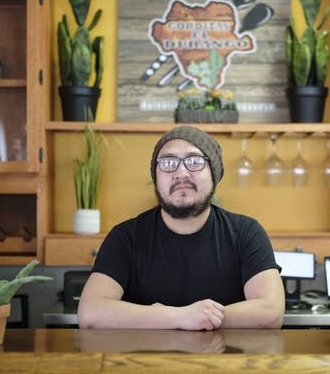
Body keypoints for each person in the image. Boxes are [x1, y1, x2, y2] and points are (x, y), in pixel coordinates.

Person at [78, 125, 285, 330]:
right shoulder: (126, 237)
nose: (181, 172)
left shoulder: (246, 233)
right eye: (168, 162)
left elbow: (271, 311)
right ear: (155, 177)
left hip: (226, 361)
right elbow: (90, 312)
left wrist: (198, 318)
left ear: (214, 174)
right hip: (144, 362)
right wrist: (180, 317)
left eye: (194, 161)